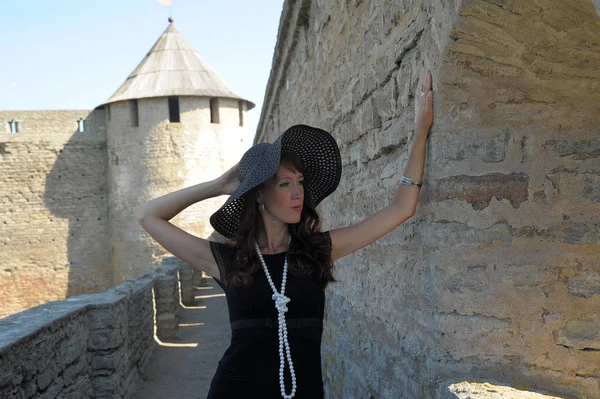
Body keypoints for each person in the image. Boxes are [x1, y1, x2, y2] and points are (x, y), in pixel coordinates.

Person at [133, 70, 434, 398]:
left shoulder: (318, 250)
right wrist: (219, 185)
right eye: (285, 184)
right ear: (259, 195)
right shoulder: (226, 260)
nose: (297, 194)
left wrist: (420, 133)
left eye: (301, 183)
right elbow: (147, 215)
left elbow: (400, 209)